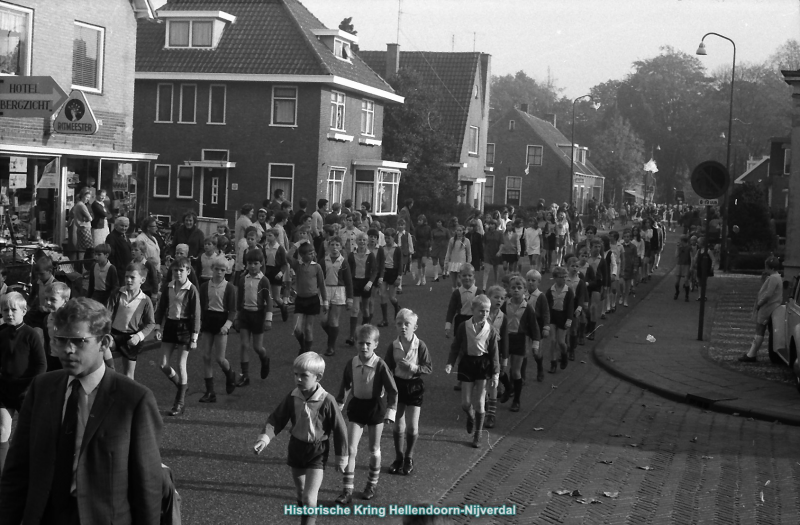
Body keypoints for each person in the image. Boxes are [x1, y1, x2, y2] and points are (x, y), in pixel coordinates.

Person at [0, 297, 163, 524]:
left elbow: (148, 486)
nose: (67, 349)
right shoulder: (42, 388)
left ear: (104, 343)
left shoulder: (134, 400)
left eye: (78, 341)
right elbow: (17, 469)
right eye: (61, 340)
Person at [253, 352, 348, 525]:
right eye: (295, 374)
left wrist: (342, 457)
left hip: (317, 452)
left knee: (310, 498)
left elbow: (340, 429)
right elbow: (277, 418)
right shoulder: (293, 396)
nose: (298, 379)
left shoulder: (327, 400)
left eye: (304, 375)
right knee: (301, 492)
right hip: (296, 448)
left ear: (318, 377)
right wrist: (264, 439)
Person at [335, 324, 398, 504]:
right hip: (357, 407)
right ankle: (347, 490)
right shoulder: (351, 363)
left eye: (368, 344)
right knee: (350, 449)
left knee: (373, 449)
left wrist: (390, 412)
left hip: (375, 408)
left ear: (376, 344)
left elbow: (393, 390)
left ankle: (371, 485)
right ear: (355, 343)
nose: (364, 347)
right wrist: (339, 403)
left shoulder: (380, 365)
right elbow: (346, 384)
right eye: (361, 343)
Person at [0, 292, 46, 475]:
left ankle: (34, 471)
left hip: (25, 391)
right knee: (2, 430)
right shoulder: (1, 333)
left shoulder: (31, 334)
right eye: (5, 310)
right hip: (4, 389)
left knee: (30, 433)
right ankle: (3, 477)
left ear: (24, 311)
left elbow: (41, 365)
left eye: (13, 309)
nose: (9, 313)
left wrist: (32, 387)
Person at [445, 295, 500, 448]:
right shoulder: (463, 326)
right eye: (481, 311)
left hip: (483, 365)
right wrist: (450, 363)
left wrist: (496, 373)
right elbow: (455, 346)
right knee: (465, 403)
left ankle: (478, 434)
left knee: (480, 402)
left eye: (487, 311)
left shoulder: (491, 330)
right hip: (467, 363)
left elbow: (494, 353)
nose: (484, 314)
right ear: (473, 310)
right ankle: (470, 416)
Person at [385, 308, 431, 476]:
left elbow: (428, 367)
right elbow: (387, 367)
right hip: (397, 386)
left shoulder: (420, 345)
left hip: (414, 386)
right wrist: (385, 386)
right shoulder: (393, 345)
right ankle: (398, 457)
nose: (403, 327)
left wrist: (412, 367)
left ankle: (409, 457)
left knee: (412, 426)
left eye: (407, 324)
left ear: (415, 327)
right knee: (398, 424)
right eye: (399, 324)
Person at [155, 257, 201, 417]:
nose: (178, 273)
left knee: (181, 365)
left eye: (181, 270)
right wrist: (157, 326)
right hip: (170, 326)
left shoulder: (192, 289)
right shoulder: (168, 287)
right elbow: (161, 308)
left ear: (188, 271)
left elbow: (196, 315)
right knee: (163, 364)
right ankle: (182, 385)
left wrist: (194, 337)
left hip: (185, 328)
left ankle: (179, 403)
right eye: (175, 270)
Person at [198, 256, 237, 401]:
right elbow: (202, 307)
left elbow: (233, 310)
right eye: (216, 269)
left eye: (222, 270)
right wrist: (199, 323)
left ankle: (230, 374)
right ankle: (210, 391)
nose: (219, 272)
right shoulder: (204, 286)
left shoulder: (229, 287)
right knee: (205, 356)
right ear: (212, 269)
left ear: (226, 271)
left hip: (222, 321)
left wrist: (227, 325)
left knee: (220, 358)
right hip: (208, 320)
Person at [108, 263, 156, 380]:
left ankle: (127, 395)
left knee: (129, 375)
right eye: (126, 277)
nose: (128, 280)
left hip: (131, 337)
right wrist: (105, 331)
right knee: (104, 345)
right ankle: (111, 374)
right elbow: (106, 314)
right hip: (114, 334)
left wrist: (139, 336)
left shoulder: (145, 300)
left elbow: (151, 323)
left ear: (142, 280)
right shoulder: (117, 293)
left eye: (132, 277)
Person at [501, 275, 540, 412]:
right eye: (513, 288)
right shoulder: (504, 304)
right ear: (509, 290)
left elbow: (535, 327)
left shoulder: (528, 308)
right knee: (500, 369)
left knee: (516, 372)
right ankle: (508, 388)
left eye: (519, 288)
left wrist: (535, 344)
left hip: (520, 340)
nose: (516, 290)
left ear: (525, 290)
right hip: (505, 339)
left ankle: (516, 400)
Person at [235, 250, 272, 386]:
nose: (252, 266)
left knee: (257, 347)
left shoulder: (264, 281)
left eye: (255, 263)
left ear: (261, 264)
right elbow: (239, 298)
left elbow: (269, 300)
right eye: (250, 263)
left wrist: (268, 318)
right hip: (245, 314)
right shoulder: (242, 279)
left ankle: (264, 358)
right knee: (244, 345)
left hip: (258, 315)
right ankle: (245, 375)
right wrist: (237, 316)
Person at [739, 256, 783, 362]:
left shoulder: (773, 278)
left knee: (759, 330)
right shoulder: (777, 277)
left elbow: (768, 294)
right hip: (773, 306)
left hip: (767, 307)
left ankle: (752, 354)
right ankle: (751, 353)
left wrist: (759, 303)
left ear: (769, 267)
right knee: (760, 329)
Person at [287, 242, 328, 354]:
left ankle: (307, 351)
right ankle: (303, 345)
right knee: (297, 329)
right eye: (309, 253)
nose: (313, 254)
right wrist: (297, 244)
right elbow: (288, 256)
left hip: (313, 300)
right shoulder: (297, 265)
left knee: (308, 328)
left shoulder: (317, 267)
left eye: (313, 252)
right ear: (302, 255)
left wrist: (325, 301)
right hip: (300, 300)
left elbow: (322, 284)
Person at [320, 236, 353, 357]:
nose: (334, 248)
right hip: (325, 290)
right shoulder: (324, 261)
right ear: (328, 247)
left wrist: (350, 298)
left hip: (339, 290)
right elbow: (319, 277)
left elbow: (348, 281)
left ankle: (331, 347)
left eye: (337, 245)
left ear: (340, 247)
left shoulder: (343, 261)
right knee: (323, 321)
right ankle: (332, 336)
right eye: (332, 245)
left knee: (333, 320)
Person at [347, 232, 378, 345]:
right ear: (356, 241)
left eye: (364, 240)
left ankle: (366, 333)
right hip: (355, 282)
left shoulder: (370, 255)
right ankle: (352, 336)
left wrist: (370, 282)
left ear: (367, 242)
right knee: (355, 309)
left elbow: (375, 270)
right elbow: (348, 270)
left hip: (366, 283)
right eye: (360, 240)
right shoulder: (351, 255)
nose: (362, 242)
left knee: (365, 309)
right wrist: (348, 283)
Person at [484, 285, 508, 428]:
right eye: (496, 297)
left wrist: (504, 360)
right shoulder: (482, 314)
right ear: (488, 298)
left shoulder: (503, 317)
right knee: (483, 382)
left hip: (496, 354)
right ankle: (485, 403)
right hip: (482, 353)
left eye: (502, 298)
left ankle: (491, 414)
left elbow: (505, 339)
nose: (499, 300)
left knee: (493, 382)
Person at [546, 266, 574, 374]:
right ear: (555, 278)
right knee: (552, 340)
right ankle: (553, 363)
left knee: (561, 341)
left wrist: (569, 319)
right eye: (561, 277)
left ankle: (564, 354)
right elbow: (547, 305)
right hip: (553, 316)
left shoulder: (569, 291)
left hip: (563, 317)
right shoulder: (550, 290)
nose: (563, 279)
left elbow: (571, 306)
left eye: (565, 277)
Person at [263, 228, 290, 322]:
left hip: (276, 271)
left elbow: (284, 263)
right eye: (267, 235)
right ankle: (267, 316)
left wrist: (281, 272)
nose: (268, 237)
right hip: (267, 271)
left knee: (276, 297)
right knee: (266, 294)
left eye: (270, 235)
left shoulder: (280, 248)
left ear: (275, 237)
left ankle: (283, 307)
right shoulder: (265, 247)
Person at [43, 282, 71, 372]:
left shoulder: (71, 319)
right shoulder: (47, 319)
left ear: (65, 301)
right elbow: (48, 341)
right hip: (53, 359)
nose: (48, 302)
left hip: (69, 359)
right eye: (46, 298)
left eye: (53, 299)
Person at [378, 229, 402, 327]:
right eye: (385, 238)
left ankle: (397, 307)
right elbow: (380, 262)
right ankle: (385, 319)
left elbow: (400, 264)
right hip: (384, 272)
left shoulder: (397, 249)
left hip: (393, 273)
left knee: (392, 298)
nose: (387, 240)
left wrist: (399, 277)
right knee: (382, 295)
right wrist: (380, 276)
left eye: (389, 238)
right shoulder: (382, 248)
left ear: (393, 238)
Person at [443, 225, 472, 291]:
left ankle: (461, 293)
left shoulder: (466, 241)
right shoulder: (452, 240)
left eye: (460, 231)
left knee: (459, 281)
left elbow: (469, 253)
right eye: (457, 230)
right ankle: (455, 295)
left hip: (462, 263)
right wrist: (446, 262)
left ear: (463, 231)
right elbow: (448, 252)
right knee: (454, 282)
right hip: (453, 263)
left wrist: (468, 263)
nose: (459, 232)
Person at [71, 187, 94, 268]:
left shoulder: (76, 205)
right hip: (85, 229)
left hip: (80, 229)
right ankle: (86, 267)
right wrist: (87, 218)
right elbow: (90, 218)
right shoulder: (82, 205)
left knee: (81, 250)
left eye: (89, 198)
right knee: (88, 251)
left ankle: (79, 267)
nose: (88, 199)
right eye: (87, 197)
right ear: (83, 196)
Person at [413, 215, 431, 286]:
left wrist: (430, 245)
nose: (419, 222)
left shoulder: (428, 228)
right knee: (419, 263)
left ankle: (423, 276)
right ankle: (419, 279)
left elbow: (430, 237)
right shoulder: (417, 228)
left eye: (420, 220)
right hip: (419, 246)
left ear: (423, 220)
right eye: (418, 220)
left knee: (423, 262)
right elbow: (415, 237)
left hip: (425, 246)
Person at [674, 235, 692, 301]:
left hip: (686, 265)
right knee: (676, 282)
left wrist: (691, 266)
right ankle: (677, 291)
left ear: (683, 241)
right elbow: (676, 256)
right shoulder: (680, 248)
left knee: (686, 280)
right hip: (679, 264)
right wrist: (677, 248)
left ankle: (687, 295)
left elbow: (692, 257)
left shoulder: (689, 248)